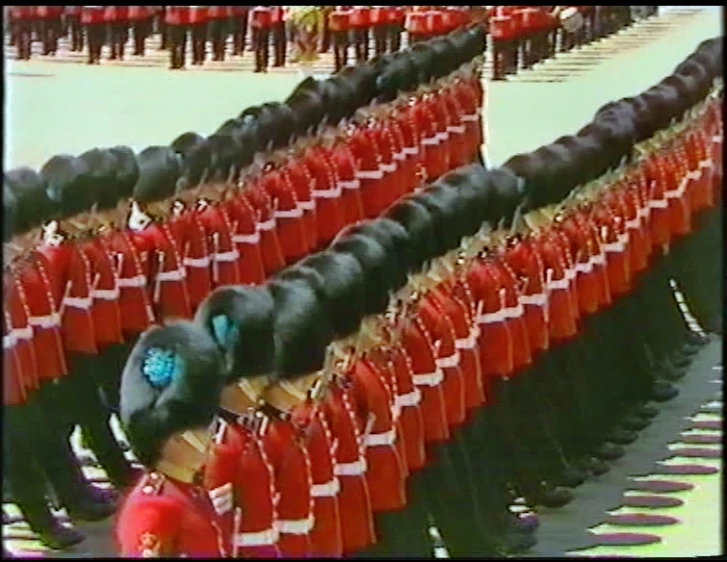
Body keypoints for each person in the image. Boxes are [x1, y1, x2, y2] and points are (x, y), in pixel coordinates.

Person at [115, 320, 228, 557]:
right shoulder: (154, 509)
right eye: (203, 430)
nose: (211, 437)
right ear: (175, 439)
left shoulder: (190, 487)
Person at [250, 6, 272, 73]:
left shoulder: (267, 10)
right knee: (258, 47)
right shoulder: (255, 11)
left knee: (264, 47)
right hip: (257, 28)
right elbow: (252, 20)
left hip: (264, 27)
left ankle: (263, 66)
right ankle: (259, 65)